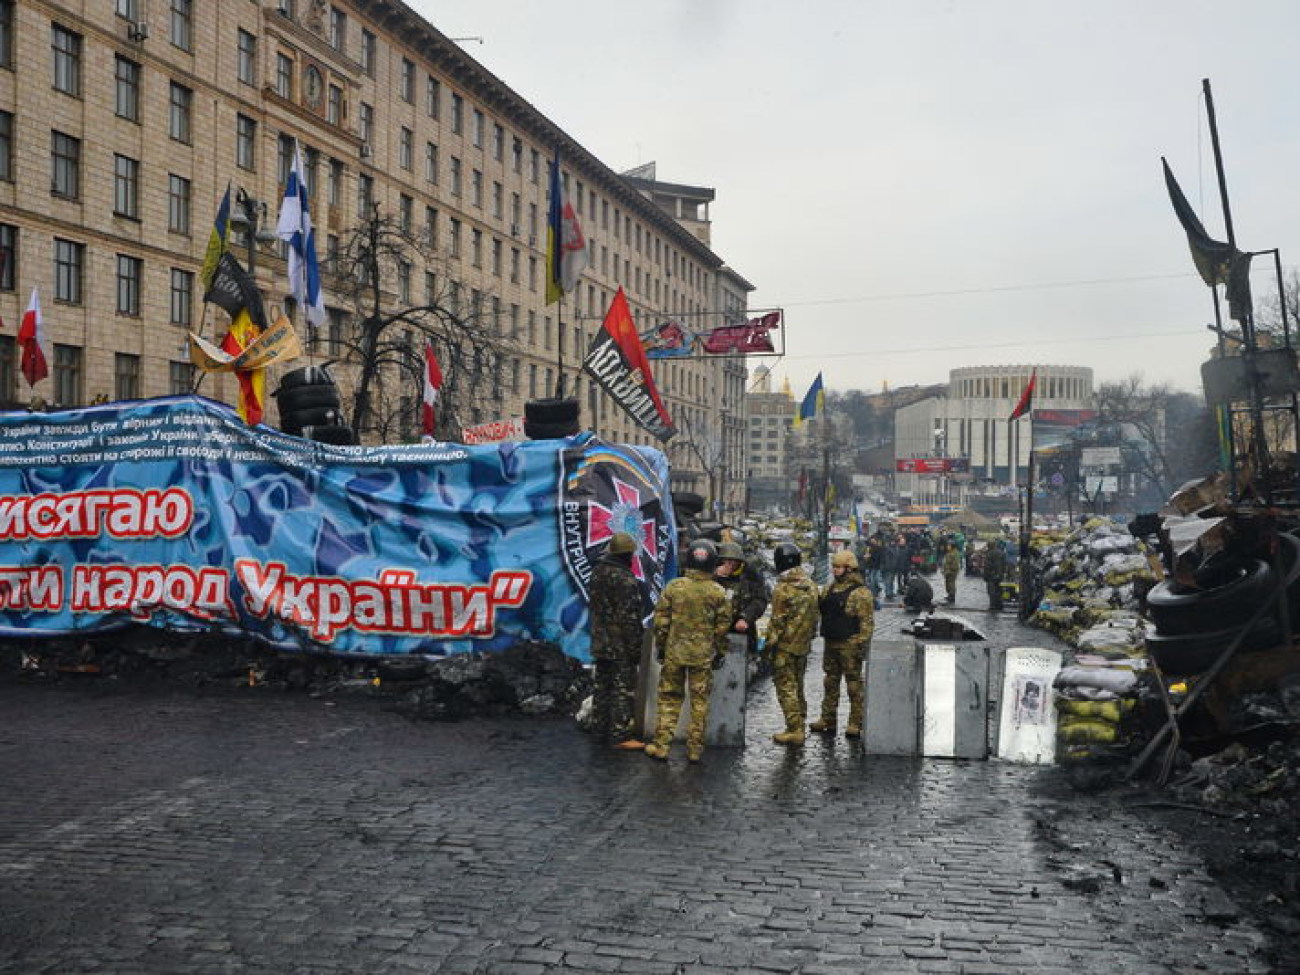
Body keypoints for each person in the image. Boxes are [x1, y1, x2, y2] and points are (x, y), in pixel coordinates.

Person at [645, 538, 731, 763]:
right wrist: (720, 652)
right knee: (699, 703)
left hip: (675, 653)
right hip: (702, 657)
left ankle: (661, 746)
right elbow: (722, 629)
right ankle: (694, 750)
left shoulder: (674, 587)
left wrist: (661, 648)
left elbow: (661, 623)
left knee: (669, 699)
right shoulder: (718, 592)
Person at [587, 532, 648, 750]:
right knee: (622, 689)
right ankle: (620, 735)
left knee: (602, 687)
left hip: (600, 641)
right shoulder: (625, 579)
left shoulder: (597, 573)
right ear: (628, 554)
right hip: (620, 644)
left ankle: (600, 729)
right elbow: (629, 618)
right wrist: (635, 647)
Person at [810, 549, 875, 740]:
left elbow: (867, 623)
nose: (835, 570)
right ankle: (827, 719)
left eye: (838, 567)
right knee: (830, 682)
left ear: (849, 568)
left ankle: (856, 722)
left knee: (854, 685)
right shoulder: (830, 588)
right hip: (831, 642)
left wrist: (860, 645)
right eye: (834, 567)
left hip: (849, 644)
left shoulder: (860, 593)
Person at [763, 542, 820, 746]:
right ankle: (800, 721)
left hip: (785, 647)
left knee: (785, 687)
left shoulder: (783, 588)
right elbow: (815, 618)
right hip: (803, 645)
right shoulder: (811, 585)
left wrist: (768, 647)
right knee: (798, 685)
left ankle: (795, 729)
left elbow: (777, 622)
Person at [715, 540, 770, 656]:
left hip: (742, 628)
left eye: (733, 561)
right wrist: (715, 577)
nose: (730, 565)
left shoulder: (750, 575)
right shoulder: (714, 573)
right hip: (716, 629)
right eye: (727, 561)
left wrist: (746, 617)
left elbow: (760, 599)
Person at [983, 539, 1008, 612]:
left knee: (991, 591)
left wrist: (985, 576)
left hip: (991, 576)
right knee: (999, 591)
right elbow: (1004, 565)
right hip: (1000, 576)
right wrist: (1003, 573)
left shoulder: (989, 554)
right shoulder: (1002, 553)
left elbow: (987, 566)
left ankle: (993, 606)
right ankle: (1000, 605)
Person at [940, 537, 961, 605]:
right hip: (947, 571)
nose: (947, 546)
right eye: (947, 545)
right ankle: (949, 595)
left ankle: (952, 597)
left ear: (952, 546)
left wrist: (950, 570)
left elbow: (955, 564)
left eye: (949, 545)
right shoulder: (949, 552)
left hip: (952, 572)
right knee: (947, 583)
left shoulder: (955, 553)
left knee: (951, 584)